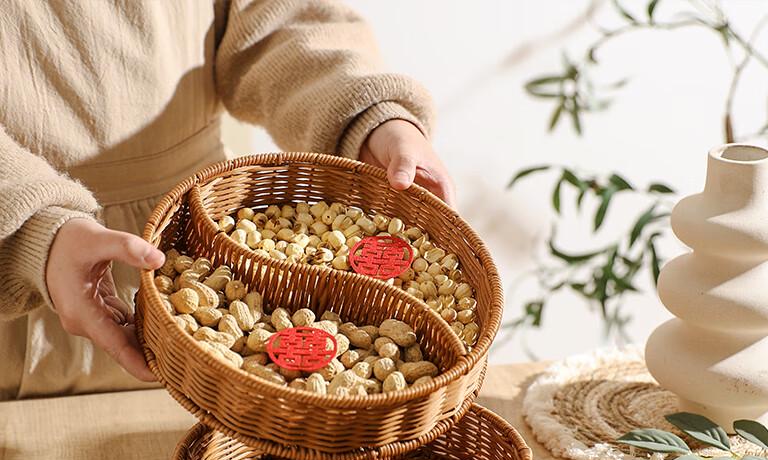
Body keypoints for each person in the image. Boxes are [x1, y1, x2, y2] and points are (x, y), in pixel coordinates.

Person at [0, 0, 454, 400]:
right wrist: (31, 231)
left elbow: (276, 17)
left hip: (204, 264)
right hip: (15, 295)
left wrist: (366, 117)